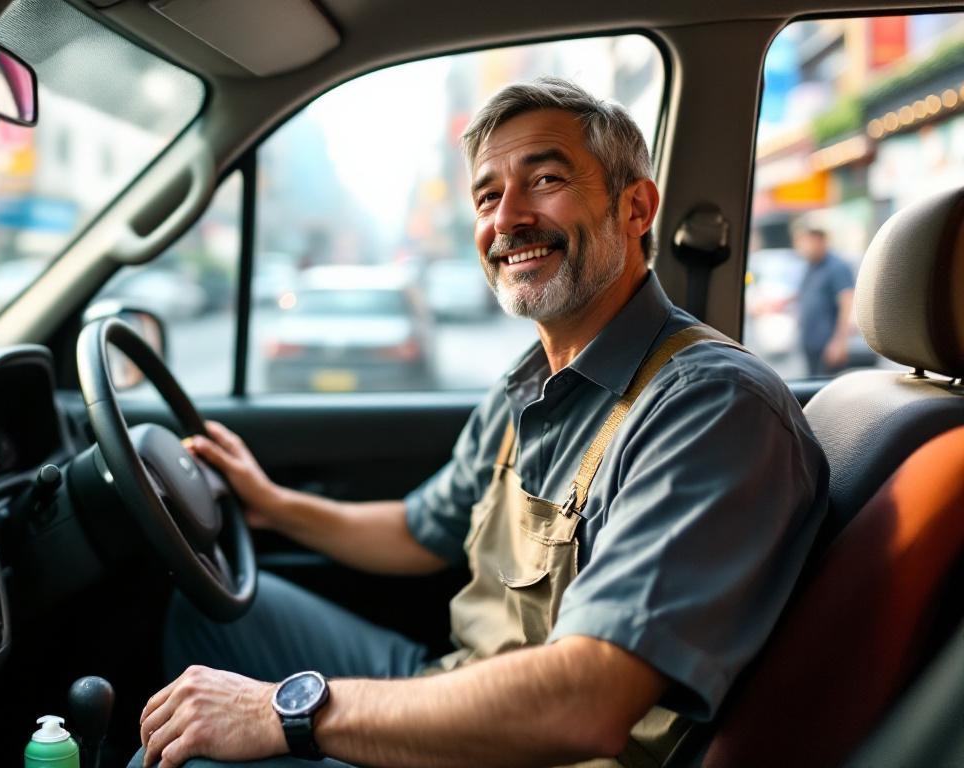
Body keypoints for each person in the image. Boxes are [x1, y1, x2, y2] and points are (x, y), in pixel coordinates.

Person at [129, 78, 828, 768]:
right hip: (454, 680)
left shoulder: (710, 406)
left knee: (182, 756)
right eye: (488, 195)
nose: (508, 218)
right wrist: (275, 507)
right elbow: (418, 529)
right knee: (209, 609)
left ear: (635, 207)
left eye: (546, 179)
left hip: (538, 749)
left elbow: (585, 702)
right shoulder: (529, 382)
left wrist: (285, 712)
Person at [792, 224, 856, 377]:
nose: (803, 247)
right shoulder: (810, 266)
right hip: (810, 340)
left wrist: (840, 342)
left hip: (827, 343)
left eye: (807, 242)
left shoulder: (837, 267)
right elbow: (806, 294)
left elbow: (847, 301)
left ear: (820, 241)